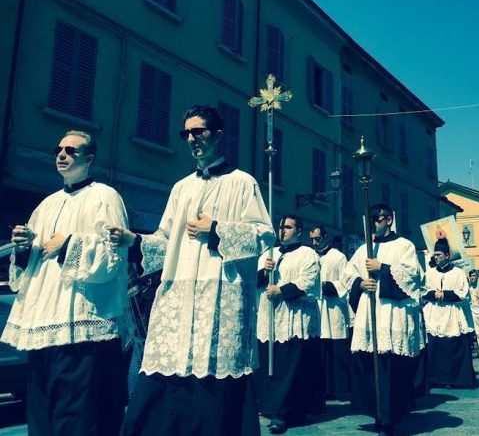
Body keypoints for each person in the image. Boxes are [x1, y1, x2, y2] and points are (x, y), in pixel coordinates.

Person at [111, 105, 275, 436]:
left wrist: (216, 229)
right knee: (167, 378)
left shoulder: (243, 183)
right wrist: (135, 240)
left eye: (198, 131)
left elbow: (263, 234)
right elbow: (164, 241)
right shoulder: (181, 188)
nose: (191, 139)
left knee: (214, 389)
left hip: (220, 296)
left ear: (217, 135)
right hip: (180, 297)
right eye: (186, 133)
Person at [1, 130, 131, 436]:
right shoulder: (45, 205)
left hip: (82, 330)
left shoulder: (105, 197)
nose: (62, 154)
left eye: (71, 150)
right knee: (42, 418)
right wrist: (22, 249)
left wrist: (69, 245)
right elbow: (29, 270)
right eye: (58, 148)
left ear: (89, 159)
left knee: (77, 420)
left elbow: (113, 259)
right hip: (43, 327)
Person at [343, 203, 425, 436]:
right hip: (370, 318)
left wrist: (384, 268)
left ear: (389, 220)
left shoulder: (404, 246)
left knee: (392, 370)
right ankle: (378, 413)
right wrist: (360, 283)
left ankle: (390, 416)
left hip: (393, 316)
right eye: (369, 220)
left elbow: (412, 278)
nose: (373, 224)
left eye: (377, 219)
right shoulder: (362, 250)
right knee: (370, 367)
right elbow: (348, 275)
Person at [255, 215, 323, 433]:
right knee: (271, 366)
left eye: (287, 227)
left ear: (299, 231)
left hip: (294, 319)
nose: (282, 231)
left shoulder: (308, 254)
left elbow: (308, 282)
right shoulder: (270, 254)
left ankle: (282, 413)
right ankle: (271, 406)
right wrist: (265, 272)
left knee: (289, 367)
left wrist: (281, 290)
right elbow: (255, 282)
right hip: (271, 319)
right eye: (281, 227)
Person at [423, 238, 477, 388]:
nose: (436, 257)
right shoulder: (430, 273)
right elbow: (423, 291)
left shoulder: (458, 273)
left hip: (452, 312)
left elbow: (464, 293)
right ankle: (436, 379)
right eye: (435, 255)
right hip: (434, 313)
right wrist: (434, 294)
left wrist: (445, 295)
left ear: (447, 255)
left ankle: (455, 379)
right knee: (435, 347)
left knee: (453, 347)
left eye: (439, 255)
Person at [309, 225, 352, 401]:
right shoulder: (309, 256)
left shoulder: (338, 257)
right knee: (318, 352)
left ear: (325, 237)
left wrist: (325, 287)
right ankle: (321, 390)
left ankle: (339, 390)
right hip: (316, 310)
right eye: (311, 239)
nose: (314, 242)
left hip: (333, 308)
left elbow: (346, 282)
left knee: (336, 352)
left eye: (317, 239)